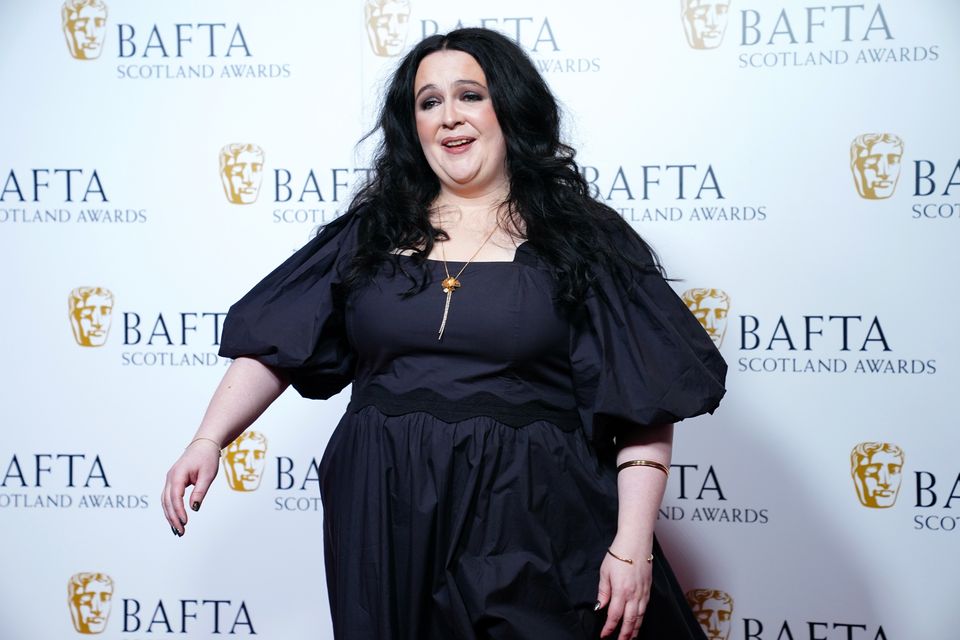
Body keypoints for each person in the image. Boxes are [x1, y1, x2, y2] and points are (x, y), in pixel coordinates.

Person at [161, 28, 726, 640]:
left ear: (509, 106)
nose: (449, 117)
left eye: (469, 96)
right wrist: (209, 439)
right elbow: (277, 341)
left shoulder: (582, 237)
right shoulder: (371, 232)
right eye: (429, 102)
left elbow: (644, 400)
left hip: (530, 508)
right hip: (385, 506)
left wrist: (633, 544)